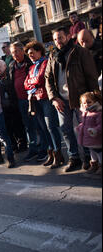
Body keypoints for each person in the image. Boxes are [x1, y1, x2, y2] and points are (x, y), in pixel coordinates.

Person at [45, 26, 99, 172]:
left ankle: (89, 158)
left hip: (81, 99)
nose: (58, 42)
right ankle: (73, 157)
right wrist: (54, 98)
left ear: (68, 36)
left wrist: (94, 98)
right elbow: (48, 78)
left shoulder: (80, 52)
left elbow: (91, 76)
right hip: (61, 100)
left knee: (85, 129)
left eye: (60, 38)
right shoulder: (53, 55)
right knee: (66, 130)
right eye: (55, 39)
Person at [24, 41, 64, 169]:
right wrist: (32, 83)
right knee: (43, 128)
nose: (30, 56)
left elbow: (41, 78)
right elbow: (25, 84)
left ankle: (58, 154)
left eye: (32, 53)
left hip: (46, 98)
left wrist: (32, 82)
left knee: (51, 126)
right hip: (36, 99)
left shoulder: (45, 62)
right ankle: (51, 153)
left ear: (39, 51)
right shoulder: (31, 67)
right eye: (29, 54)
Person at [9, 41, 48, 162]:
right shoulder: (12, 66)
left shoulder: (30, 62)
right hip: (21, 101)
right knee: (29, 127)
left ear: (22, 51)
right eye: (12, 52)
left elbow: (35, 79)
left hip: (33, 99)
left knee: (39, 126)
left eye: (16, 51)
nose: (14, 54)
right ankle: (33, 149)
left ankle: (44, 149)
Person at [0, 59, 28, 153]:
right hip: (4, 109)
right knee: (9, 128)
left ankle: (22, 144)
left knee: (18, 127)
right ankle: (14, 145)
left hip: (14, 106)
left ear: (5, 66)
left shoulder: (10, 76)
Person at [77, 90, 102, 175]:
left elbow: (100, 125)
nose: (86, 104)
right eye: (84, 103)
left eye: (89, 102)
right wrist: (80, 127)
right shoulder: (85, 112)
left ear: (95, 102)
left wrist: (95, 130)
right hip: (89, 138)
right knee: (92, 151)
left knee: (99, 152)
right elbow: (84, 124)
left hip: (96, 138)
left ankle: (100, 165)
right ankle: (94, 164)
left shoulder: (98, 113)